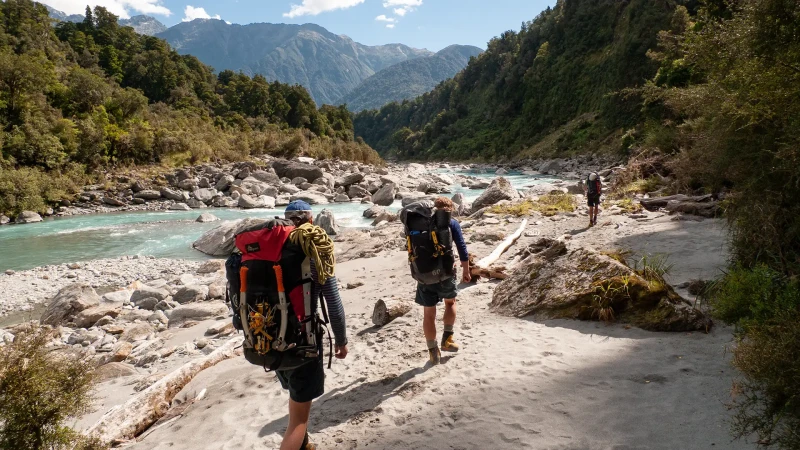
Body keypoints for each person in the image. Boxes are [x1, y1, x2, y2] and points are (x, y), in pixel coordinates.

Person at [278, 200, 349, 450]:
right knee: (298, 420)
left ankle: (305, 445)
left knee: (296, 394)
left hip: (268, 335)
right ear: (310, 221)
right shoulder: (313, 250)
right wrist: (341, 340)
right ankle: (299, 441)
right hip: (303, 340)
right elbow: (333, 303)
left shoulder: (270, 249)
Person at [416, 197, 471, 365]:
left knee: (428, 313)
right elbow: (461, 247)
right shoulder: (451, 223)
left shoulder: (420, 224)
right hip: (447, 272)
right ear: (449, 210)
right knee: (450, 303)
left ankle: (433, 352)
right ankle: (447, 339)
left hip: (425, 275)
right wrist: (466, 270)